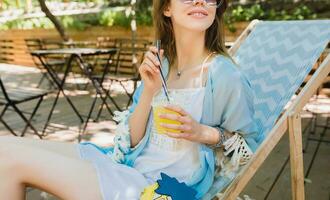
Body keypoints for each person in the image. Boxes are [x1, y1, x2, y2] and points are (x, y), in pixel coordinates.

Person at [0, 0, 262, 199]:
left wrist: (203, 133)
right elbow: (133, 142)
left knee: (12, 161)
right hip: (127, 167)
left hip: (158, 190)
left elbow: (250, 151)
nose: (199, 1)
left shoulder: (226, 75)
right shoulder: (164, 63)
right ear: (166, 8)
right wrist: (148, 90)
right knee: (4, 147)